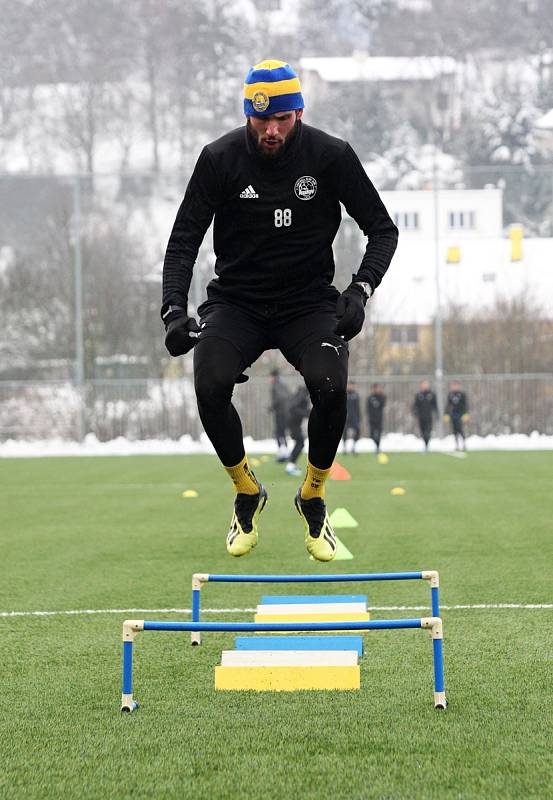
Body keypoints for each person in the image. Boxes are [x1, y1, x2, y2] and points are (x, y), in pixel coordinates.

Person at [161, 59, 398, 561]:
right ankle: (247, 490)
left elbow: (383, 229)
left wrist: (359, 290)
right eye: (260, 119)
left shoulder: (331, 156)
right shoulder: (219, 158)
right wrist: (172, 311)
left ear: (299, 111)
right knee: (208, 383)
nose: (271, 130)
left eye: (282, 119)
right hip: (237, 302)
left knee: (331, 388)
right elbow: (184, 241)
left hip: (307, 302)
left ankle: (313, 495)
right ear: (247, 114)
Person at [285, 384, 310, 476]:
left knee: (299, 443)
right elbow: (293, 408)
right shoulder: (302, 394)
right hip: (293, 422)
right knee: (300, 442)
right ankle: (290, 466)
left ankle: (291, 464)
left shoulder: (302, 392)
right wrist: (306, 413)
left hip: (295, 422)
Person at [269, 368, 290, 461]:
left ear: (274, 376)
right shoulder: (283, 384)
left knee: (278, 433)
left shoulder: (276, 385)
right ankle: (285, 452)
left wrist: (272, 407)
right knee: (282, 432)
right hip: (285, 412)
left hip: (280, 412)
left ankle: (282, 454)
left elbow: (280, 398)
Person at [412, 380, 438, 451]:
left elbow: (435, 406)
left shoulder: (432, 394)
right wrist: (415, 412)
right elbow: (415, 405)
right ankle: (425, 445)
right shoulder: (418, 395)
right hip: (421, 417)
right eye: (423, 384)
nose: (424, 386)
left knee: (428, 431)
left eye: (426, 384)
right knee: (423, 432)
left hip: (429, 416)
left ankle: (427, 445)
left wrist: (436, 414)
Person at [444, 380, 469, 451]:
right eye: (453, 385)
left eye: (456, 385)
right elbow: (448, 405)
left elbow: (465, 405)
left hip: (460, 414)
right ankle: (457, 445)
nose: (454, 387)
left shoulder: (462, 394)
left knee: (460, 429)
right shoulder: (450, 394)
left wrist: (466, 414)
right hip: (453, 414)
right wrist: (446, 414)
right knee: (454, 430)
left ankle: (464, 443)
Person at [342, 382, 361, 454]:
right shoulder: (344, 394)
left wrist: (359, 417)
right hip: (345, 417)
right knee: (344, 432)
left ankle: (354, 447)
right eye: (349, 385)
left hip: (354, 417)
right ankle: (344, 448)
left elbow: (358, 407)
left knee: (357, 431)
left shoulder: (356, 395)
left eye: (351, 385)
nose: (350, 387)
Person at [367, 383, 386, 454]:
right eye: (375, 388)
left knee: (379, 434)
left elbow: (383, 403)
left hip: (379, 419)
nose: (376, 390)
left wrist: (380, 394)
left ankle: (378, 447)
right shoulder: (370, 398)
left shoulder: (381, 397)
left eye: (378, 388)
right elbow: (368, 408)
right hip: (372, 419)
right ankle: (377, 446)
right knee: (372, 435)